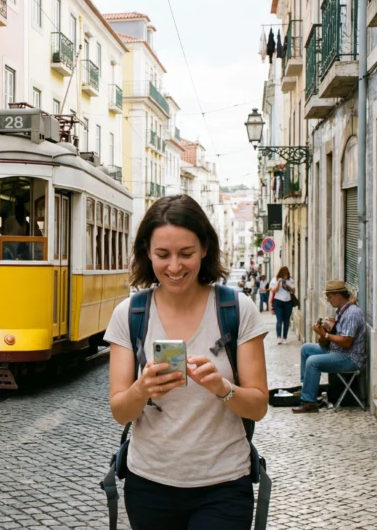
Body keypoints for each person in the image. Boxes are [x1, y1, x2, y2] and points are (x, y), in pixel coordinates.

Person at [106, 194, 269, 529]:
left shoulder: (238, 311)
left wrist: (222, 388)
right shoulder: (130, 315)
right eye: (163, 254)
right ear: (147, 252)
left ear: (205, 249)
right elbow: (120, 411)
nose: (175, 267)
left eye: (186, 253)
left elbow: (258, 407)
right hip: (149, 484)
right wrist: (142, 389)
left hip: (223, 484)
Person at [292, 280, 366, 414]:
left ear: (338, 295)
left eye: (329, 296)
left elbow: (346, 341)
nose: (327, 300)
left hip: (350, 357)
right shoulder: (341, 311)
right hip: (338, 351)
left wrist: (326, 335)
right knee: (306, 349)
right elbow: (336, 339)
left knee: (313, 362)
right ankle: (307, 388)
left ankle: (309, 402)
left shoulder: (351, 313)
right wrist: (326, 330)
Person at [270, 266, 295, 344]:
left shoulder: (290, 280)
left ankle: (285, 337)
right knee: (279, 320)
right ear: (281, 273)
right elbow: (273, 290)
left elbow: (293, 291)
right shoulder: (274, 280)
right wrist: (278, 283)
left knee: (286, 320)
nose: (286, 276)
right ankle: (278, 338)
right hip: (278, 302)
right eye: (284, 274)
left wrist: (287, 285)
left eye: (287, 274)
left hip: (288, 302)